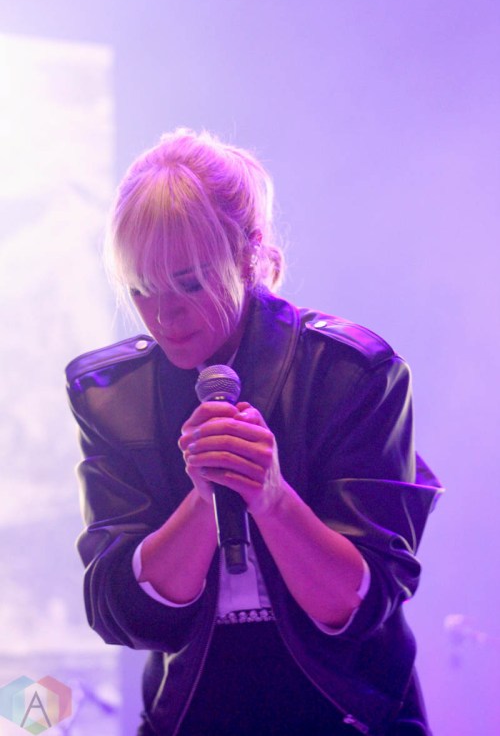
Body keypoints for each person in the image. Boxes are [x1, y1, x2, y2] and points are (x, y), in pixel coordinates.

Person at [66, 128, 442, 736]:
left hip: (351, 718)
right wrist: (204, 498)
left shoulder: (351, 372)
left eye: (190, 282)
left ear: (248, 256)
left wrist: (271, 498)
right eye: (141, 289)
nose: (164, 315)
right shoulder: (112, 394)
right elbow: (124, 616)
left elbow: (357, 605)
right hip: (191, 719)